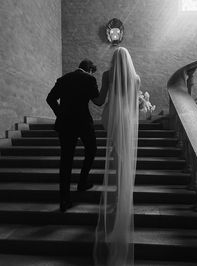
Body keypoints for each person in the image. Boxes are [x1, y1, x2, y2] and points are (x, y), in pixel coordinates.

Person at [92, 47, 140, 266]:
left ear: (114, 58)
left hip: (111, 115)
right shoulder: (135, 77)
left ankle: (118, 191)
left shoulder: (107, 75)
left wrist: (90, 91)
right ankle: (122, 193)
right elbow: (132, 103)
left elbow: (100, 100)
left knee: (115, 152)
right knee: (123, 153)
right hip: (126, 116)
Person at [46, 59, 99, 212]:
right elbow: (97, 100)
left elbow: (50, 98)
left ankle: (64, 200)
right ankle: (82, 182)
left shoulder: (63, 79)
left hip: (65, 124)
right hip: (83, 123)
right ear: (89, 69)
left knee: (66, 161)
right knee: (92, 150)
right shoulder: (89, 79)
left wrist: (60, 113)